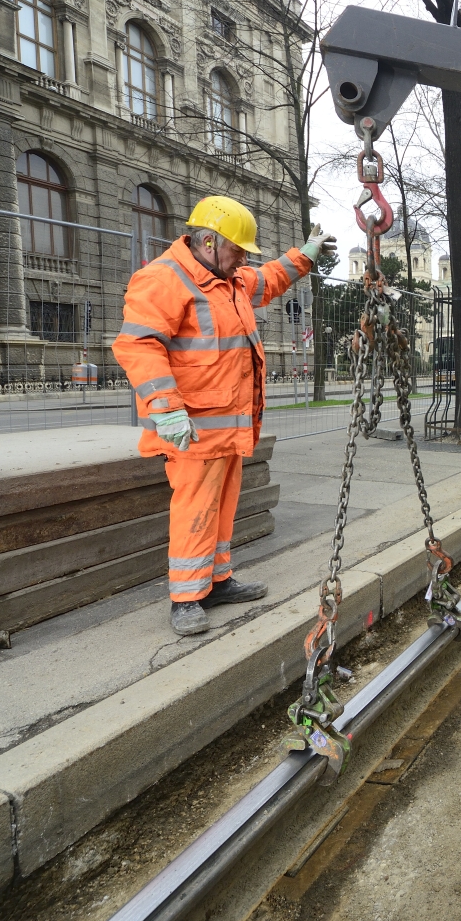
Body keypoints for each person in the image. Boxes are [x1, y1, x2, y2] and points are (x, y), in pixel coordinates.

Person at [113, 195, 333, 636]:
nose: (242, 261)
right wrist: (167, 410)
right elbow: (139, 346)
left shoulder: (227, 281)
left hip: (228, 427)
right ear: (209, 241)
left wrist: (303, 257)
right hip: (191, 430)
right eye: (237, 251)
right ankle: (186, 599)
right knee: (194, 509)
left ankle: (216, 582)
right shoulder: (163, 279)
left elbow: (269, 279)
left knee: (221, 509)